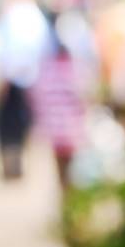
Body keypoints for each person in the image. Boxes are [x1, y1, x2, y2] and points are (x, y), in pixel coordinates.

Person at [0, 0, 50, 179]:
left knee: (10, 127)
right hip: (31, 80)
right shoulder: (35, 17)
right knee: (22, 125)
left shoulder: (11, 16)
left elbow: (1, 53)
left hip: (14, 81)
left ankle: (13, 164)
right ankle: (17, 163)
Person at [30, 19, 88, 188]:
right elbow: (84, 95)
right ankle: (69, 197)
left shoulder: (48, 68)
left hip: (55, 127)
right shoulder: (76, 69)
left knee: (61, 167)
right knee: (71, 167)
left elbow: (38, 96)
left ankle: (65, 194)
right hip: (71, 127)